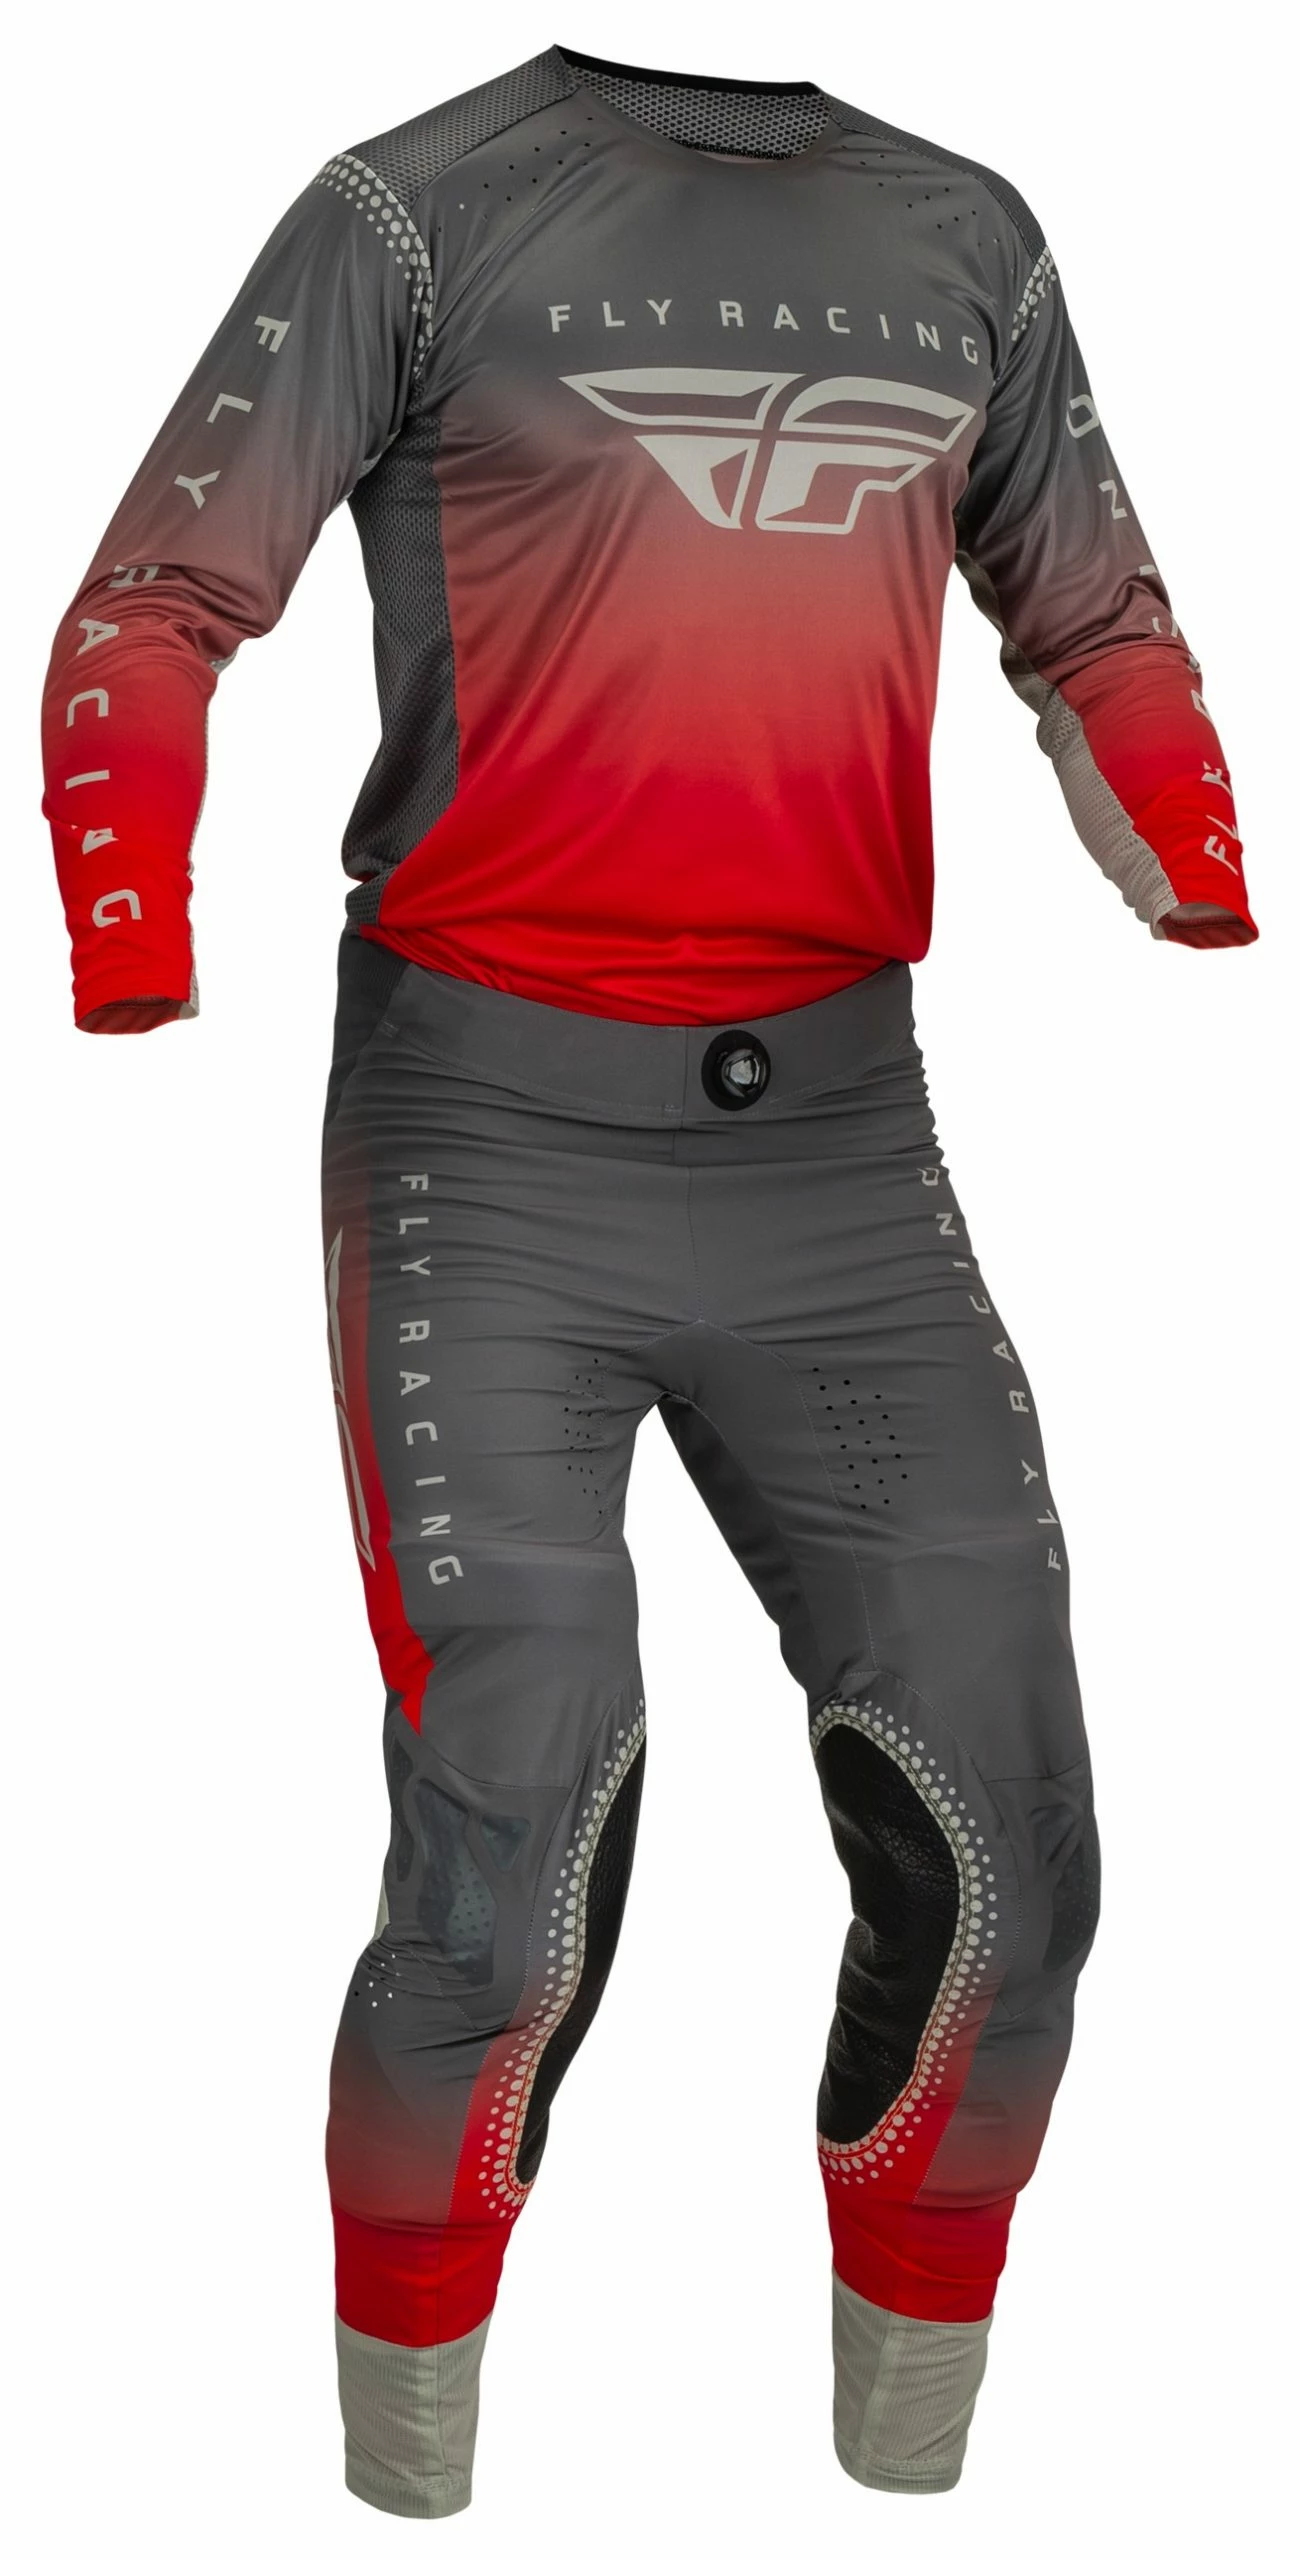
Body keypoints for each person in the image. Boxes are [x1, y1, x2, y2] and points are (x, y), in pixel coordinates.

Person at [40, 43, 1256, 2519]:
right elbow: (155, 599)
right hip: (483, 1139)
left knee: (1015, 1864)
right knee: (508, 1864)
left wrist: (1189, 841)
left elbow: (1093, 604)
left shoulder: (969, 234)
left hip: (840, 1148)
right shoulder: (410, 207)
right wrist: (131, 911)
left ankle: (901, 2462)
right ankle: (404, 2477)